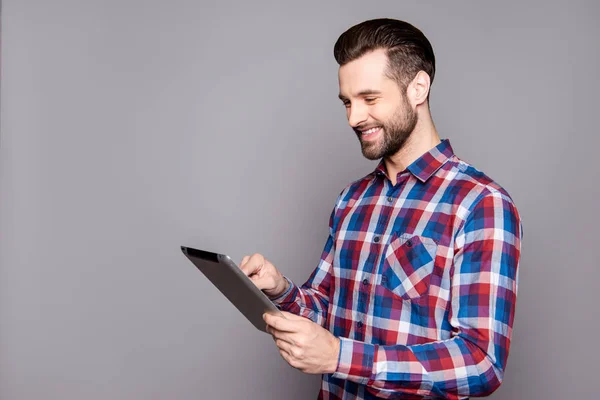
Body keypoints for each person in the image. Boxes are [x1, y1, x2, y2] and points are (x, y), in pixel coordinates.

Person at [240, 18, 522, 400]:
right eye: (347, 102)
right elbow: (326, 309)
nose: (354, 117)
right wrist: (282, 290)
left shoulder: (480, 204)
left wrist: (341, 356)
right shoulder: (351, 200)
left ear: (418, 88)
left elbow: (480, 361)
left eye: (370, 99)